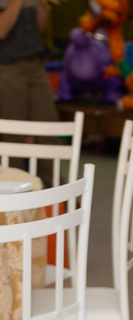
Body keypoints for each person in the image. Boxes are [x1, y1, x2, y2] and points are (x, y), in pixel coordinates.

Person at [0, 0, 59, 188]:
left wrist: (44, 4)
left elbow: (39, 27)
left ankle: (57, 193)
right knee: (13, 136)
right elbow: (2, 30)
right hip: (8, 68)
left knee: (49, 131)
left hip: (35, 65)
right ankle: (16, 198)